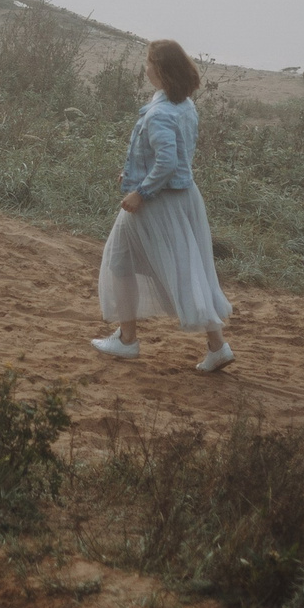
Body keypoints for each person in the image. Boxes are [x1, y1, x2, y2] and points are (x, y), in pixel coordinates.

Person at [92, 38, 234, 372]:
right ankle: (217, 346)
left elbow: (168, 161)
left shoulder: (158, 113)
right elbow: (171, 154)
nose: (145, 67)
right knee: (187, 268)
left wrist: (140, 191)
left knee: (120, 260)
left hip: (158, 202)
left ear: (162, 70)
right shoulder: (182, 104)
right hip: (182, 198)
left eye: (149, 62)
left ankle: (127, 341)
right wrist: (133, 172)